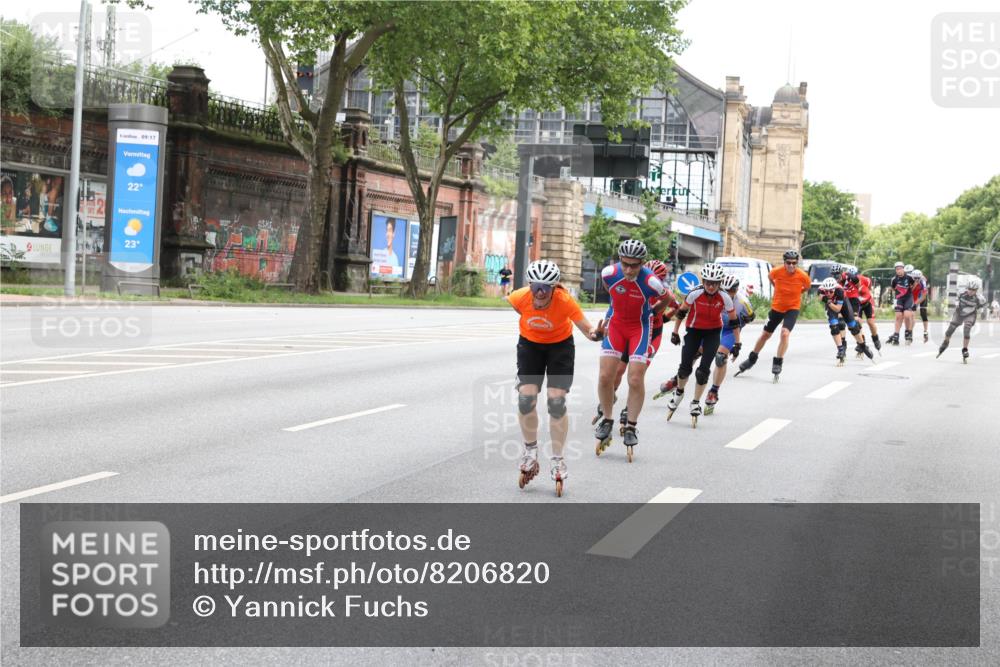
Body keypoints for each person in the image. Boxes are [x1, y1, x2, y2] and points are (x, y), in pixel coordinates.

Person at [509, 259, 604, 496]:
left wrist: (598, 334)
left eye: (546, 288)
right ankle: (530, 452)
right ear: (529, 285)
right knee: (526, 399)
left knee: (556, 402)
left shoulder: (565, 302)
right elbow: (520, 310)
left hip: (560, 347)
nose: (540, 293)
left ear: (555, 287)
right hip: (530, 346)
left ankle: (558, 459)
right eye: (535, 287)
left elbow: (588, 330)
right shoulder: (519, 298)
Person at [593, 239, 668, 461]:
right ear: (619, 260)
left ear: (642, 263)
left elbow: (668, 298)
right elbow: (611, 293)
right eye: (625, 263)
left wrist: (654, 311)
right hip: (616, 325)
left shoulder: (652, 282)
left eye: (634, 265)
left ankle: (631, 426)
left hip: (639, 328)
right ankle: (607, 419)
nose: (628, 269)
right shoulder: (609, 273)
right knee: (606, 376)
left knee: (635, 379)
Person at [594, 259, 679, 430]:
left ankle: (628, 411)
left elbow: (675, 305)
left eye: (659, 277)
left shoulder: (656, 286)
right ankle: (611, 397)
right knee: (617, 371)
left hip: (650, 332)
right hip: (625, 328)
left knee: (636, 377)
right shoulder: (625, 278)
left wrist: (662, 317)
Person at [665, 263, 738, 427]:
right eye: (708, 282)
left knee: (703, 371)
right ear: (703, 281)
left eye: (714, 283)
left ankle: (696, 402)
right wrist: (675, 332)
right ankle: (679, 393)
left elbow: (734, 321)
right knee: (685, 368)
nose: (711, 286)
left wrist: (737, 342)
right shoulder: (695, 293)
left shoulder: (725, 297)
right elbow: (682, 312)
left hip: (713, 332)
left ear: (719, 284)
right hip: (694, 331)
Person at [735, 248, 811, 381]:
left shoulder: (803, 276)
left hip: (792, 308)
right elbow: (770, 278)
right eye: (788, 263)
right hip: (777, 307)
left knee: (785, 333)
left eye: (794, 263)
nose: (791, 266)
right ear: (784, 262)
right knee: (765, 335)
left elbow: (807, 287)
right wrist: (777, 287)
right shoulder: (776, 272)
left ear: (797, 263)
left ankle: (778, 362)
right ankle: (752, 359)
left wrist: (798, 293)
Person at [704, 273, 754, 414]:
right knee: (696, 351)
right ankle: (678, 378)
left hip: (730, 331)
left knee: (720, 358)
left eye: (731, 291)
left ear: (736, 290)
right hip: (714, 326)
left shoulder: (742, 301)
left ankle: (713, 391)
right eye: (724, 291)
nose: (727, 294)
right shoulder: (713, 295)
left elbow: (751, 316)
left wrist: (742, 322)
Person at [818, 277, 874, 365]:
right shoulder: (821, 290)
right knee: (834, 327)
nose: (828, 293)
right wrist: (826, 300)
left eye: (831, 292)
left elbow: (837, 309)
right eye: (826, 292)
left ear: (834, 289)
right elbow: (820, 298)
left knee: (853, 327)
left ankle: (863, 346)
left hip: (843, 305)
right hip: (831, 305)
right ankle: (840, 350)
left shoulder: (840, 291)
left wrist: (827, 301)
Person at [937, 276, 987, 363]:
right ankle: (946, 342)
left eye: (973, 290)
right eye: (969, 289)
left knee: (967, 329)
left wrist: (982, 312)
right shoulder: (961, 293)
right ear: (967, 288)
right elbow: (954, 301)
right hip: (959, 312)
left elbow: (982, 307)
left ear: (976, 290)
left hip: (970, 314)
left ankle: (965, 349)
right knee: (951, 329)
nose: (971, 291)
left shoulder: (980, 298)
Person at [852, 269, 881, 351]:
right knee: (857, 323)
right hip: (858, 305)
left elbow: (869, 288)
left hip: (867, 302)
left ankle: (875, 338)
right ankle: (861, 342)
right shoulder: (848, 285)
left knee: (870, 322)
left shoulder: (864, 280)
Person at [887, 261, 915, 345]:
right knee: (898, 317)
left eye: (900, 269)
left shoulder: (909, 277)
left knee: (907, 315)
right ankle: (896, 335)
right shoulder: (894, 279)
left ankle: (908, 332)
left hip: (908, 298)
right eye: (897, 269)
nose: (898, 271)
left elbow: (914, 286)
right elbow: (892, 288)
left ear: (903, 269)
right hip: (899, 299)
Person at [910, 268, 930, 342]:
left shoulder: (923, 281)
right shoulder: (910, 280)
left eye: (918, 278)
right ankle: (910, 332)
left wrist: (916, 303)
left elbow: (924, 295)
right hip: (915, 296)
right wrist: (915, 284)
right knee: (912, 315)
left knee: (923, 313)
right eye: (915, 278)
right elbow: (910, 291)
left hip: (922, 296)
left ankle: (925, 331)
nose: (917, 279)